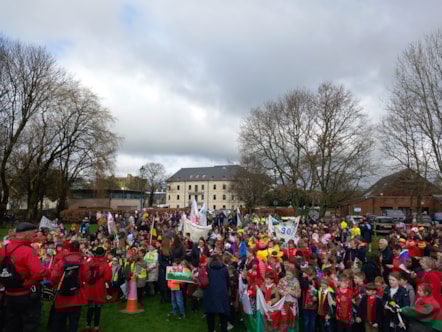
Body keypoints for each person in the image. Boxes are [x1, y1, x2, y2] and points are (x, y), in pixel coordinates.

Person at [0, 222, 48, 332]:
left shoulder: (3, 249)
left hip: (8, 295)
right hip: (26, 295)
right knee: (29, 324)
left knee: (11, 324)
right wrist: (28, 283)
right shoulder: (27, 251)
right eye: (33, 234)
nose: (35, 236)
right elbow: (39, 272)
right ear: (27, 234)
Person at [50, 240, 89, 332]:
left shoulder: (62, 261)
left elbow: (53, 276)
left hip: (62, 294)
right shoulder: (82, 261)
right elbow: (87, 277)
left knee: (60, 320)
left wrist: (56, 286)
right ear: (78, 249)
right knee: (74, 321)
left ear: (69, 248)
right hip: (76, 294)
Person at [85, 247, 112, 332]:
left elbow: (84, 272)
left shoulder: (89, 261)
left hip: (89, 287)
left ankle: (88, 326)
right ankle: (96, 327)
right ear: (103, 254)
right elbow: (108, 277)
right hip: (99, 288)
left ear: (95, 253)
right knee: (98, 308)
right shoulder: (104, 264)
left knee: (90, 308)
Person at [203, 254, 230, 332]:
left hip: (209, 292)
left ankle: (211, 330)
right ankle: (223, 329)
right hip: (222, 292)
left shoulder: (207, 268)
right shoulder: (224, 269)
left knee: (210, 314)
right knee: (223, 314)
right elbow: (227, 281)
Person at [158, 236, 172, 303]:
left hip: (169, 269)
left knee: (169, 284)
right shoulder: (161, 251)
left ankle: (169, 297)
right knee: (162, 285)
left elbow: (172, 259)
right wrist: (167, 266)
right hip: (163, 270)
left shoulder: (170, 250)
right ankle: (162, 298)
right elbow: (160, 261)